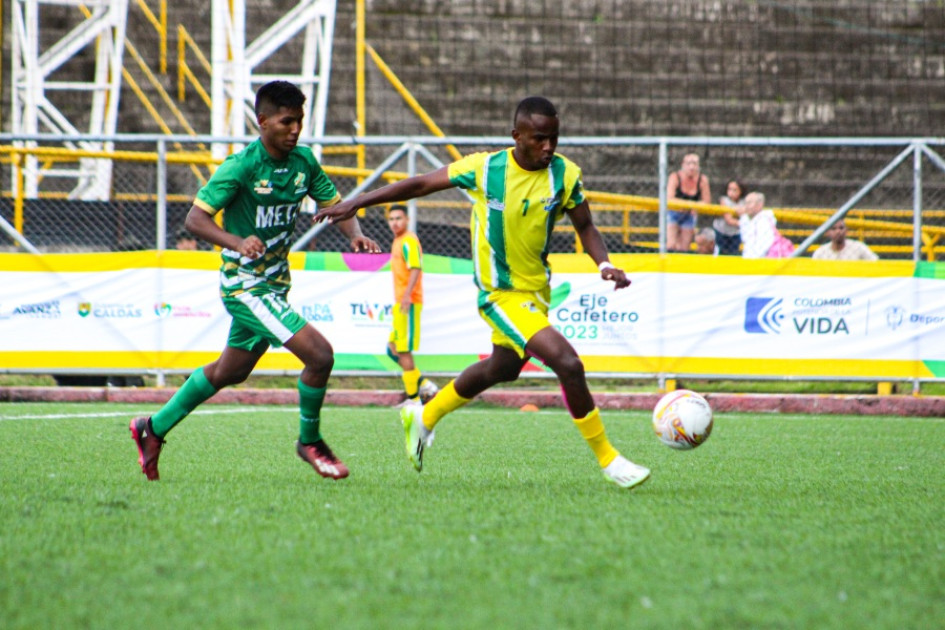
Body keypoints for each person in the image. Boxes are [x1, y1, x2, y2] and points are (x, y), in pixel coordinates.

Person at [315, 96, 650, 490]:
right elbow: (420, 183)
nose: (548, 147)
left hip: (536, 291)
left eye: (554, 138)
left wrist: (604, 263)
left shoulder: (566, 175)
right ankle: (608, 459)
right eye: (539, 138)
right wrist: (356, 202)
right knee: (568, 363)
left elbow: (586, 225)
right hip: (499, 293)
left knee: (502, 368)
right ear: (516, 136)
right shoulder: (485, 169)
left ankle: (424, 416)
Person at [129, 80, 381, 481]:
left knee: (229, 372)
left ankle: (151, 428)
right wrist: (235, 241)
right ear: (262, 121)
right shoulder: (241, 165)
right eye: (286, 121)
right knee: (320, 355)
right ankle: (309, 441)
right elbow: (195, 219)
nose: (295, 129)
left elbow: (335, 206)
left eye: (299, 121)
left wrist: (354, 235)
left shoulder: (304, 162)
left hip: (275, 284)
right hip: (244, 286)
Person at [385, 204, 438, 404]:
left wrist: (407, 295)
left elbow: (415, 268)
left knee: (403, 350)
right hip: (401, 302)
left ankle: (414, 399)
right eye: (391, 219)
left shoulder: (408, 241)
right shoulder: (398, 240)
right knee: (392, 348)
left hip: (409, 302)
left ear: (407, 220)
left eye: (398, 218)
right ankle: (424, 385)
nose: (394, 223)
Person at [666, 153, 711, 252]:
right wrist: (689, 205)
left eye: (694, 163)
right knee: (671, 244)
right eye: (688, 163)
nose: (691, 167)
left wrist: (690, 207)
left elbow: (707, 201)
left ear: (698, 166)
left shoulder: (702, 180)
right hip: (674, 212)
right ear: (683, 165)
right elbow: (669, 198)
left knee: (684, 247)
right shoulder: (675, 177)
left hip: (690, 215)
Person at [737, 191, 779, 259]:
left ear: (760, 204)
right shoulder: (751, 220)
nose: (746, 206)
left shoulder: (764, 221)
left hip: (760, 262)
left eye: (749, 203)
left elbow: (763, 246)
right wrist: (743, 216)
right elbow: (745, 238)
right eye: (745, 203)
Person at [812, 219, 879, 261]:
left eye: (841, 228)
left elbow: (876, 262)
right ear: (827, 232)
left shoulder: (858, 247)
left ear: (846, 231)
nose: (838, 231)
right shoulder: (821, 252)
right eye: (833, 228)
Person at [714, 179, 745, 255]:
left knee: (733, 254)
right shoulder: (724, 200)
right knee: (721, 253)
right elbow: (729, 220)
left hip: (735, 233)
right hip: (721, 232)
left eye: (735, 190)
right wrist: (745, 223)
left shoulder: (743, 202)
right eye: (729, 189)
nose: (731, 192)